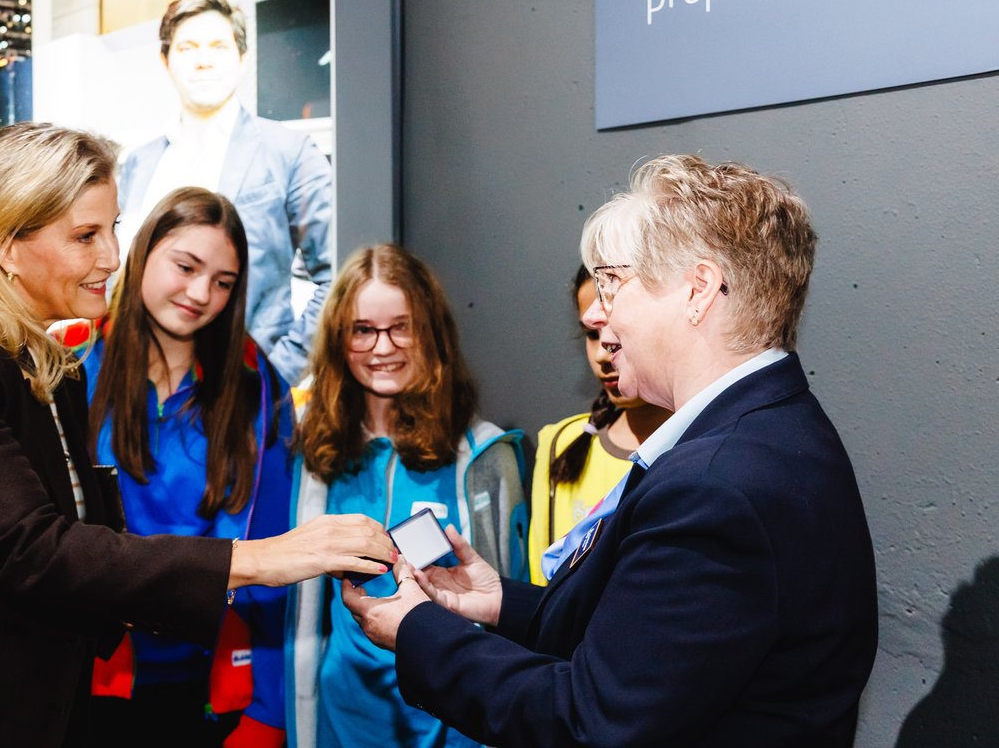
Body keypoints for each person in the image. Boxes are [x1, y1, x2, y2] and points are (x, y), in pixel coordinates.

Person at [0, 123, 394, 748]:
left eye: (111, 230)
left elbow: (80, 547)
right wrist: (259, 560)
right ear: (6, 243)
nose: (111, 257)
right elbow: (33, 548)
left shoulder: (47, 368)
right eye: (86, 236)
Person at [345, 155, 878, 747]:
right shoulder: (774, 428)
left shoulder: (716, 486)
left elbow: (591, 724)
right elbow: (651, 648)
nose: (597, 313)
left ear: (697, 291)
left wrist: (417, 629)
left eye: (613, 283)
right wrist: (499, 602)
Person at [62, 186, 292, 746]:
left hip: (208, 687)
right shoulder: (71, 367)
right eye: (185, 266)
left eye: (223, 282)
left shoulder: (257, 388)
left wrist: (268, 709)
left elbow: (274, 552)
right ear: (141, 253)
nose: (200, 293)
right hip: (83, 677)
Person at [287, 243, 529, 748]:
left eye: (403, 326)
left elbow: (512, 612)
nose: (382, 348)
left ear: (431, 332)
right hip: (342, 719)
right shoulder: (311, 450)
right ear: (338, 337)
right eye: (363, 330)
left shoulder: (485, 457)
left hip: (453, 722)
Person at [117, 0, 333, 386]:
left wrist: (278, 374)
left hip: (241, 385)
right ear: (165, 60)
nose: (203, 59)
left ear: (242, 58)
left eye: (218, 46)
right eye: (187, 47)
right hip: (140, 386)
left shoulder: (288, 152)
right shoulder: (139, 162)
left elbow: (337, 277)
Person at [528, 265, 668, 585]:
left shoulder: (702, 446)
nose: (604, 352)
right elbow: (540, 584)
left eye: (618, 328)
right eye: (592, 334)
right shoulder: (560, 442)